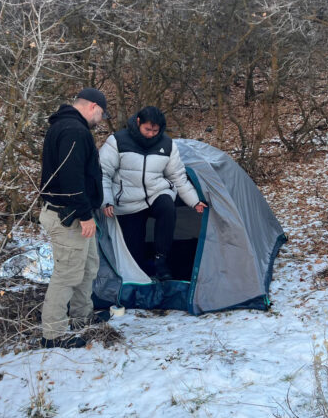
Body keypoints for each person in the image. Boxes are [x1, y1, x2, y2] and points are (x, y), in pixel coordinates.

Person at [38, 88, 111, 349]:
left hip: (76, 214)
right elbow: (71, 179)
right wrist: (84, 214)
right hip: (68, 216)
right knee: (67, 274)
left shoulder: (68, 127)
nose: (100, 120)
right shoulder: (74, 131)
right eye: (101, 114)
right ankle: (53, 334)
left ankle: (81, 317)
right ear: (92, 106)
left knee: (88, 266)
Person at [100, 106, 207, 281]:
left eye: (155, 131)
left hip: (156, 193)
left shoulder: (167, 144)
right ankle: (140, 273)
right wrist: (107, 201)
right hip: (128, 200)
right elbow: (103, 172)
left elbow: (177, 176)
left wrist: (194, 201)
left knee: (167, 206)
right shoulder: (117, 141)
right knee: (134, 252)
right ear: (138, 122)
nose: (151, 134)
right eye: (147, 129)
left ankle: (161, 259)